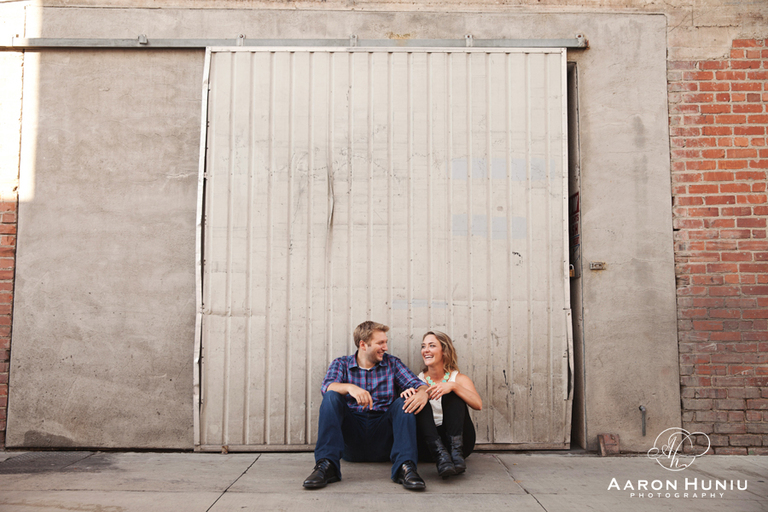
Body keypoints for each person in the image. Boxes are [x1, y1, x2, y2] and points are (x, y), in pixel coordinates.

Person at [303, 321, 431, 491]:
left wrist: (423, 392)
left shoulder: (392, 363)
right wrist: (350, 387)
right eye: (380, 343)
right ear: (363, 344)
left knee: (404, 401)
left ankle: (405, 467)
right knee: (331, 397)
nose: (385, 347)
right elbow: (327, 386)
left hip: (383, 437)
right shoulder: (341, 364)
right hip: (352, 437)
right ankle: (326, 466)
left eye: (386, 342)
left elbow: (418, 384)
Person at [401, 330, 482, 478]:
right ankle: (440, 455)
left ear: (444, 351)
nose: (426, 350)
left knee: (451, 395)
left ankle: (456, 454)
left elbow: (478, 404)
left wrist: (453, 386)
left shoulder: (458, 378)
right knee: (420, 396)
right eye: (423, 346)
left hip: (461, 444)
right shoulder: (416, 381)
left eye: (432, 346)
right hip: (428, 445)